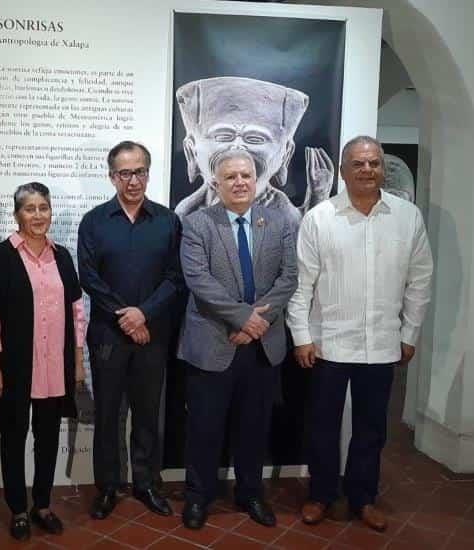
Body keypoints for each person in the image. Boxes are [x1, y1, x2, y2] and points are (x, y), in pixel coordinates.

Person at [287, 136, 433, 532]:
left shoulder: (407, 217)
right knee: (322, 426)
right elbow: (301, 284)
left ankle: (363, 497)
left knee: (371, 429)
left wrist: (410, 333)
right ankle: (321, 495)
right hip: (328, 343)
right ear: (342, 170)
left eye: (374, 163)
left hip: (384, 344)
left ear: (382, 167)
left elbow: (420, 280)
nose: (367, 170)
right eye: (358, 163)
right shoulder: (319, 218)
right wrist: (301, 335)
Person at [177, 148, 297, 530]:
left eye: (246, 175)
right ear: (216, 183)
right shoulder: (197, 225)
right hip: (213, 343)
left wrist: (255, 325)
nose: (240, 182)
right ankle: (198, 498)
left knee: (254, 427)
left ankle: (250, 494)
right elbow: (199, 281)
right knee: (205, 429)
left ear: (257, 180)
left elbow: (289, 276)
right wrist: (245, 318)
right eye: (231, 177)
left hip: (262, 347)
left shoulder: (279, 222)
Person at [78, 140, 183, 519]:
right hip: (108, 335)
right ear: (112, 177)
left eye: (139, 171)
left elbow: (176, 277)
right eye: (125, 173)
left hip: (153, 335)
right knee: (107, 414)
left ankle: (146, 483)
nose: (133, 180)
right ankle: (107, 486)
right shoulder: (93, 221)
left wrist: (144, 314)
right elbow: (88, 277)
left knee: (147, 412)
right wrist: (127, 317)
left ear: (148, 174)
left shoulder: (168, 221)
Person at [0, 182, 85, 541]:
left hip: (55, 365)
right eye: (30, 208)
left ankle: (42, 504)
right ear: (17, 213)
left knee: (48, 437)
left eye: (43, 208)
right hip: (15, 367)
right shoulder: (1, 257)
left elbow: (76, 313)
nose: (38, 215)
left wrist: (78, 364)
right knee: (12, 437)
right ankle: (18, 509)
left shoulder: (63, 256)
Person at [174, 76, 334, 225]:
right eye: (223, 136)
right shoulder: (189, 210)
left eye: (255, 139)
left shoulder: (279, 209)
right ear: (191, 150)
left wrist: (317, 196)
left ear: (285, 154)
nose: (237, 147)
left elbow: (302, 239)